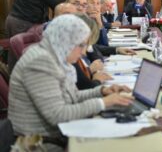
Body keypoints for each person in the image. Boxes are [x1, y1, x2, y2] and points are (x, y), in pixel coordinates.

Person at [8, 14, 132, 151]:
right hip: (40, 144)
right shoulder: (40, 62)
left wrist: (101, 91)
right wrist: (104, 103)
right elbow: (58, 115)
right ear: (65, 41)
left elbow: (73, 96)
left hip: (58, 135)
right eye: (82, 45)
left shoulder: (56, 57)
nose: (85, 52)